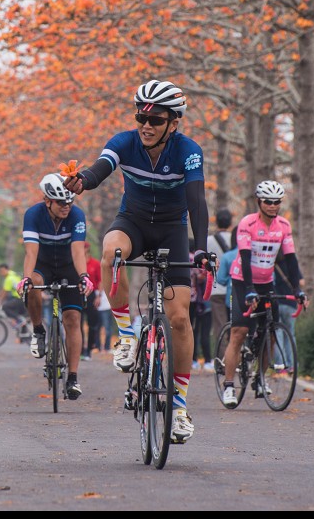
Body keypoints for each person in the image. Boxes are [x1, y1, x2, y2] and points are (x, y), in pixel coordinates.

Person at [63, 80, 211, 443]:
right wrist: (83, 180)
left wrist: (202, 248)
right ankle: (127, 336)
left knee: (179, 319)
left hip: (172, 231)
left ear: (173, 123)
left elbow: (195, 199)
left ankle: (178, 409)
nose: (146, 125)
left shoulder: (189, 151)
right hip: (134, 224)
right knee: (112, 251)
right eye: (140, 116)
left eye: (155, 119)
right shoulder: (125, 141)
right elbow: (102, 166)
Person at [220, 180, 306, 407]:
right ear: (259, 202)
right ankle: (229, 385)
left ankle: (259, 379)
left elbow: (290, 259)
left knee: (271, 332)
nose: (273, 206)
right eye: (268, 201)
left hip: (267, 282)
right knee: (239, 332)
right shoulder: (247, 224)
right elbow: (246, 258)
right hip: (242, 281)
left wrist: (298, 289)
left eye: (277, 202)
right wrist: (248, 290)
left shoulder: (283, 226)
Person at [18, 174, 92, 399]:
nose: (66, 207)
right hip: (43, 265)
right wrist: (27, 278)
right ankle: (39, 329)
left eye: (69, 202)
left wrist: (83, 276)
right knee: (34, 285)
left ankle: (72, 377)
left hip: (68, 266)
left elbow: (78, 250)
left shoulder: (77, 215)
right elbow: (31, 252)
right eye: (61, 202)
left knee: (72, 319)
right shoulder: (33, 215)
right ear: (47, 200)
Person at [207, 208, 234, 345]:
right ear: (231, 223)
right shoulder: (235, 240)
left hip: (216, 288)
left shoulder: (209, 240)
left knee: (220, 326)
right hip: (234, 287)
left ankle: (221, 360)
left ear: (216, 222)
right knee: (236, 326)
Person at [189, 241, 213, 371]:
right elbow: (200, 276)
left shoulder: (181, 257)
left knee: (189, 328)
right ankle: (203, 359)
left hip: (181, 297)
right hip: (194, 298)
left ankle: (191, 359)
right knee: (196, 328)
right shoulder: (194, 259)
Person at [83, 242, 103, 357]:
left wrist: (99, 296)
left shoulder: (95, 263)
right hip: (78, 293)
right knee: (77, 322)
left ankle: (90, 347)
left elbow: (100, 280)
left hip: (91, 294)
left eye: (84, 247)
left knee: (92, 323)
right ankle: (80, 349)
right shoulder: (76, 262)